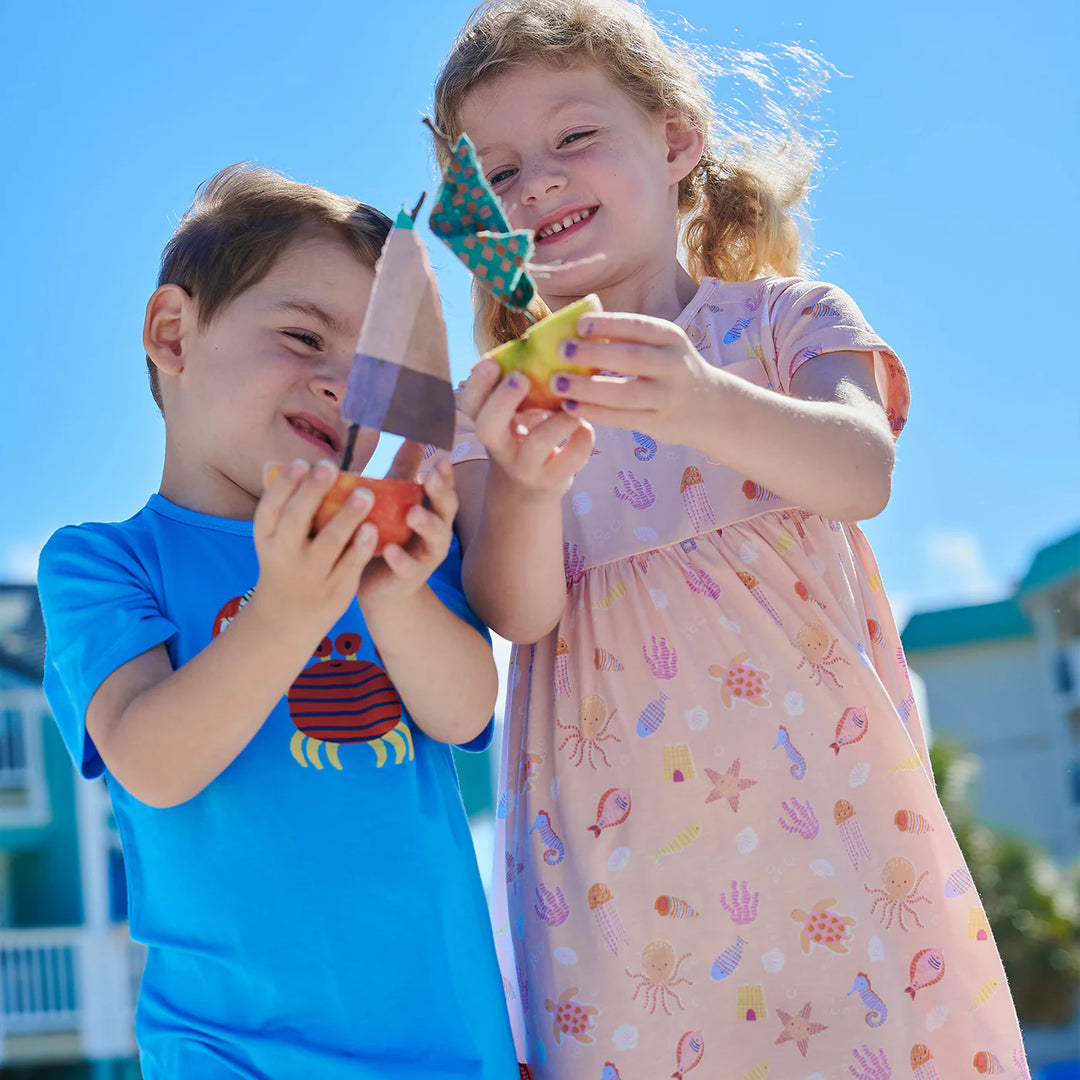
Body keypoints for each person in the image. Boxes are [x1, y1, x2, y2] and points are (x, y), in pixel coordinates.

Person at [428, 1, 1030, 1076]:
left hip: (838, 833)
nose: (539, 183)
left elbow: (862, 470)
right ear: (481, 219)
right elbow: (517, 615)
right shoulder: (497, 409)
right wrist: (520, 486)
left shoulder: (783, 323)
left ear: (673, 140)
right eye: (500, 172)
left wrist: (700, 399)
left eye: (573, 138)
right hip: (617, 885)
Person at [37, 163, 518, 1080]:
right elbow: (152, 762)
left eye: (375, 372)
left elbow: (463, 715)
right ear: (173, 333)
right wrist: (286, 612)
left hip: (447, 1046)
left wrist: (390, 595)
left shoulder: (392, 543)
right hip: (231, 1052)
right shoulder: (102, 561)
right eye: (303, 337)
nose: (343, 388)